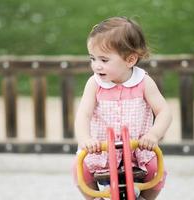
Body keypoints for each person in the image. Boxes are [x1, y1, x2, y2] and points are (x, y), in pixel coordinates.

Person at [73, 16, 172, 200]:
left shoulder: (143, 82)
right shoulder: (94, 84)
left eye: (103, 59)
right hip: (101, 150)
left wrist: (153, 135)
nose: (96, 66)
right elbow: (83, 115)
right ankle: (94, 198)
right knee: (81, 170)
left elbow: (164, 111)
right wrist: (85, 139)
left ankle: (146, 198)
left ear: (130, 60)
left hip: (137, 150)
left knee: (156, 170)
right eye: (92, 58)